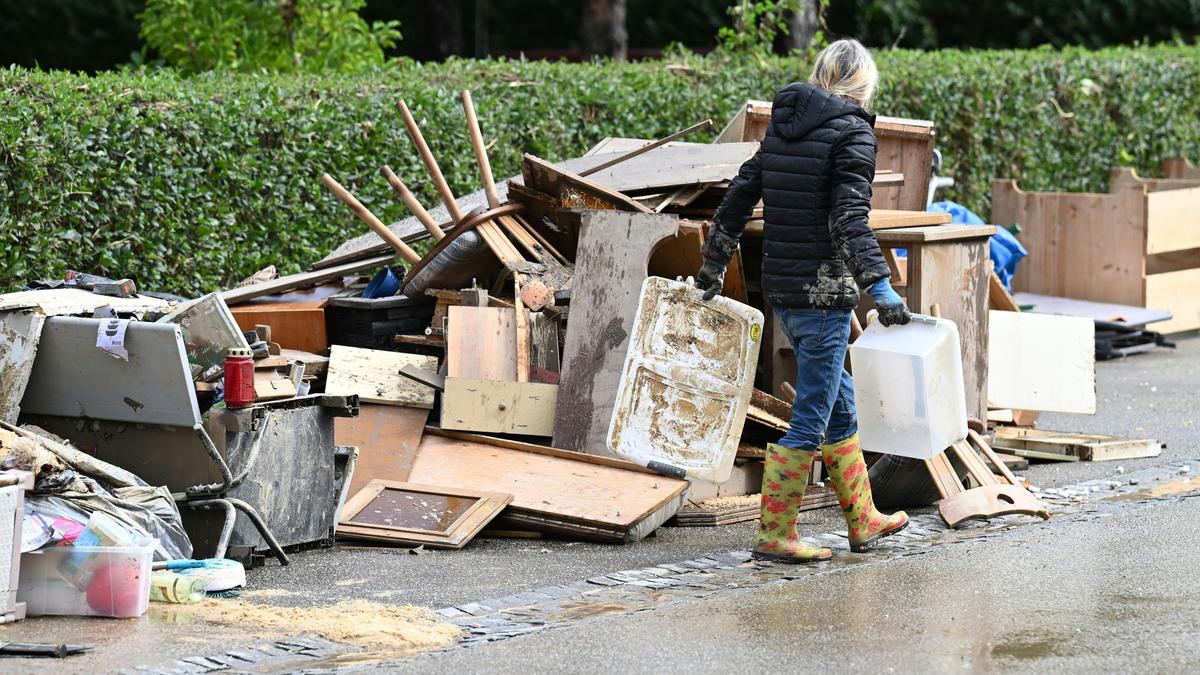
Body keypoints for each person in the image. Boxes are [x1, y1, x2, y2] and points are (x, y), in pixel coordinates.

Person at [696, 38, 911, 563]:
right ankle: (775, 534)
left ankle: (862, 519)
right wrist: (879, 286)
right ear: (863, 85)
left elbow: (737, 199)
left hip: (785, 292)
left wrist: (711, 265)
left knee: (840, 398)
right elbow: (848, 219)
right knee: (813, 411)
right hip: (823, 294)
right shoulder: (854, 132)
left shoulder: (784, 126)